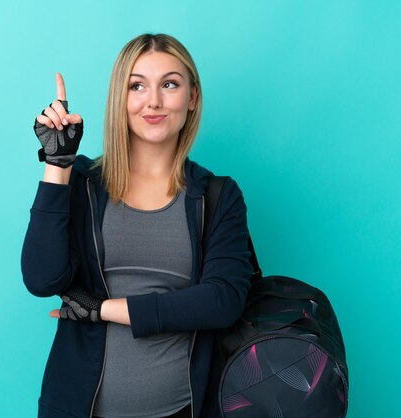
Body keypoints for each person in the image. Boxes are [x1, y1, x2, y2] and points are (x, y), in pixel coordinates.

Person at [21, 33, 254, 418]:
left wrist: (103, 309)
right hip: (76, 408)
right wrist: (57, 164)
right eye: (137, 85)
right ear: (121, 98)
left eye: (170, 84)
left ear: (192, 97)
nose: (154, 101)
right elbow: (41, 279)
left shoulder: (217, 196)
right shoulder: (82, 183)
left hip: (184, 409)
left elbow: (222, 301)